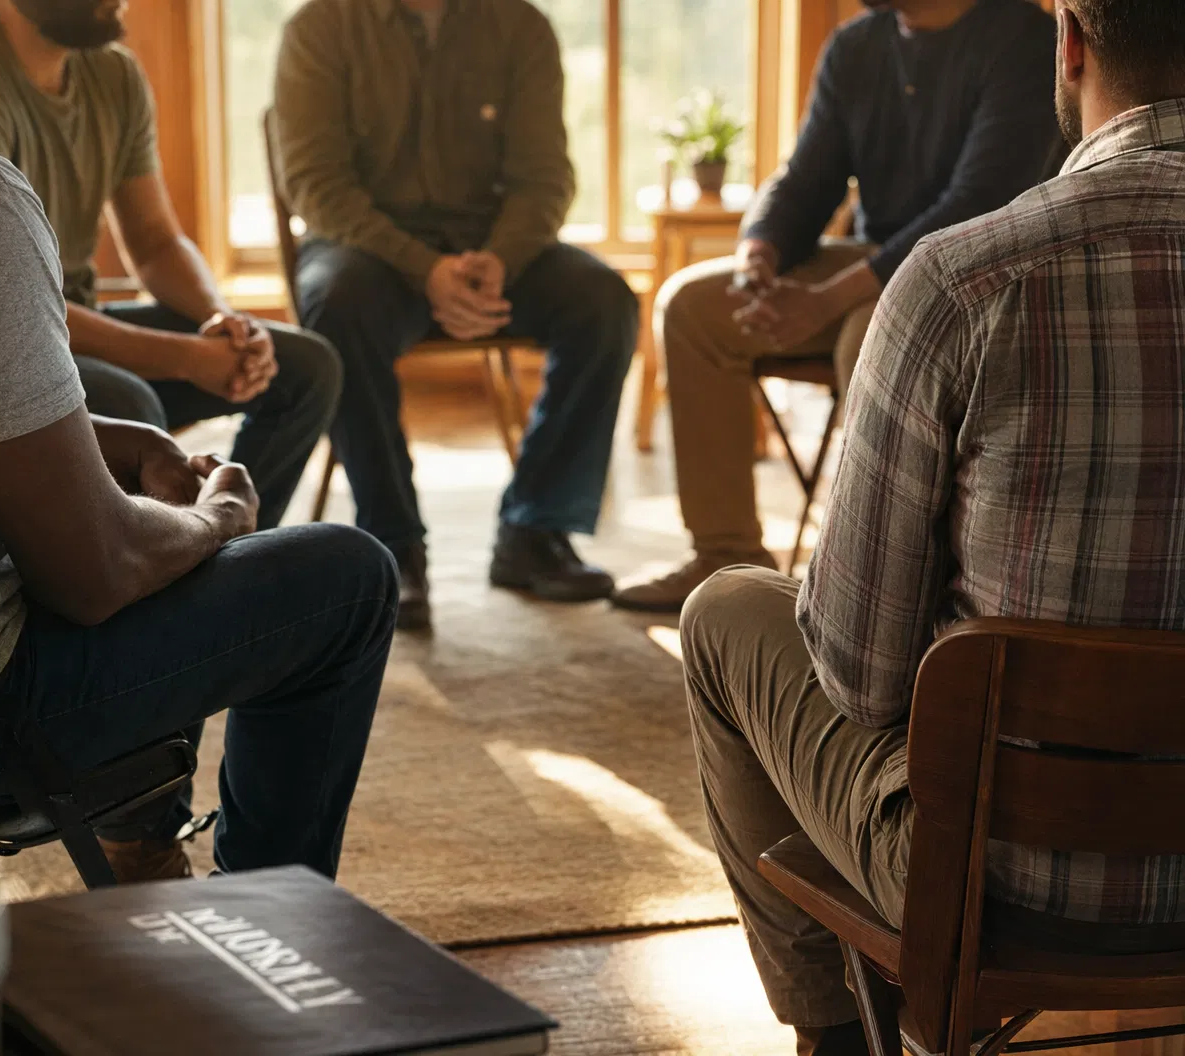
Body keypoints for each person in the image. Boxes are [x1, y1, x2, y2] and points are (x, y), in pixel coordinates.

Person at [0, 0, 396, 885]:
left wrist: (95, 435)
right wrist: (219, 520)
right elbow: (94, 573)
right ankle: (269, 926)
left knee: (176, 471)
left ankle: (142, 831)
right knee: (347, 580)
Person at [681, 0, 1185, 1049]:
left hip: (1001, 874)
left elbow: (857, 675)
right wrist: (764, 246)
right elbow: (807, 175)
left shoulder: (969, 282)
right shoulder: (865, 56)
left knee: (727, 611)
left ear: (1073, 43)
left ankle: (839, 1032)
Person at [614, 0, 1063, 612]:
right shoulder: (855, 46)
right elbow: (807, 177)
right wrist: (759, 255)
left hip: (974, 277)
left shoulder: (1025, 37)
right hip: (869, 263)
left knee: (869, 334)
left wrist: (825, 300)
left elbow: (979, 202)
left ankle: (871, 589)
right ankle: (726, 556)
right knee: (694, 307)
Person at [0, 0, 343, 533]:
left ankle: (222, 556)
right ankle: (150, 574)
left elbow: (155, 242)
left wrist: (221, 324)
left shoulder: (112, 72)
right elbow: (7, 304)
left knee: (305, 369)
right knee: (130, 406)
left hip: (67, 323)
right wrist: (187, 358)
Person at [273, 0, 639, 631]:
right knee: (335, 304)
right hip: (368, 252)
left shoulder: (520, 25)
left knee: (605, 301)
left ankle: (536, 529)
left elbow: (545, 177)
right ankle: (393, 543)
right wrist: (424, 269)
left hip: (491, 247)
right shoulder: (320, 27)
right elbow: (316, 185)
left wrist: (498, 259)